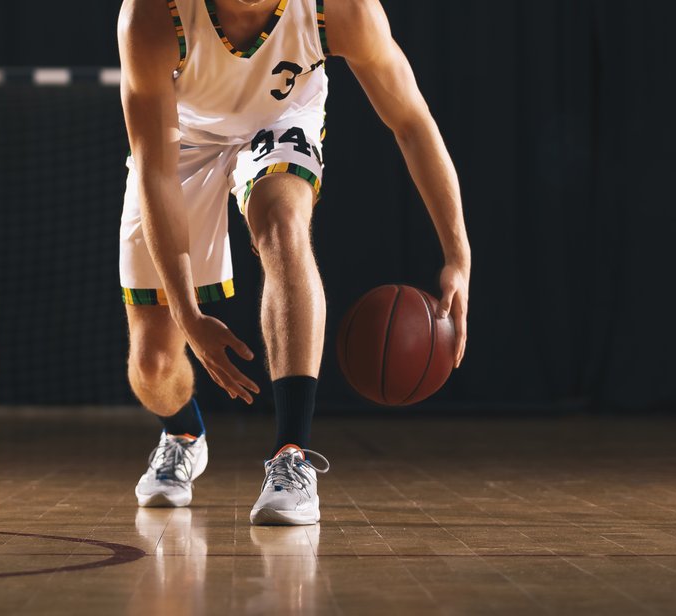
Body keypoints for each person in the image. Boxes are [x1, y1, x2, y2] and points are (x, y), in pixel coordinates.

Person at [118, 0, 471, 525]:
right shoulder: (152, 15)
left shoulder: (339, 9)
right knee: (153, 367)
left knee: (284, 226)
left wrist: (457, 254)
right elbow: (157, 173)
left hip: (280, 122)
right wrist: (189, 315)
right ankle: (183, 434)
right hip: (181, 141)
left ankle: (292, 457)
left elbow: (412, 121)